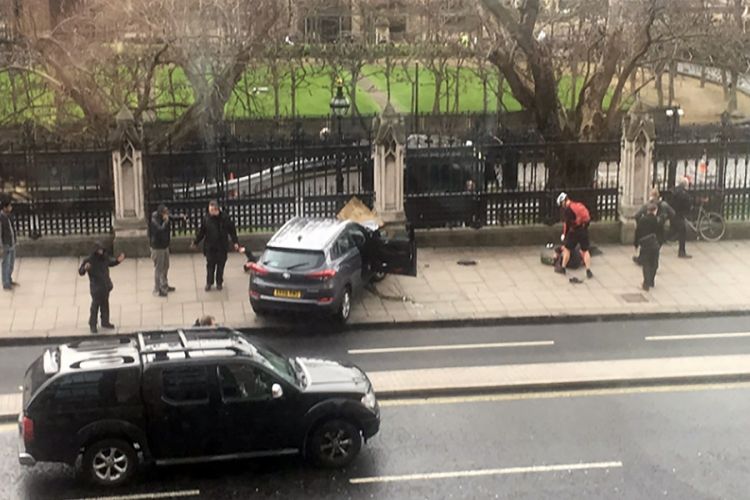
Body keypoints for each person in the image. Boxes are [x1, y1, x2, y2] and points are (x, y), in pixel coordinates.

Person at [191, 200, 239, 291]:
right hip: (210, 247)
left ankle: (219, 282)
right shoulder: (207, 218)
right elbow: (202, 232)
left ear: (216, 209)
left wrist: (235, 242)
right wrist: (196, 242)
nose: (210, 212)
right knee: (210, 266)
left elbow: (232, 231)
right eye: (209, 210)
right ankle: (209, 282)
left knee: (220, 266)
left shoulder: (225, 218)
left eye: (212, 210)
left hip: (222, 246)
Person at [78, 241, 125, 333]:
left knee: (105, 305)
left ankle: (105, 321)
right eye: (99, 250)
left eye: (102, 250)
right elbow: (81, 272)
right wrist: (85, 268)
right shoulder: (89, 260)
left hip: (105, 285)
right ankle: (92, 324)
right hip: (96, 287)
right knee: (95, 307)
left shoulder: (104, 257)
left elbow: (111, 263)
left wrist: (118, 261)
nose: (101, 252)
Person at [149, 204, 186, 297]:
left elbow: (172, 218)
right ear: (161, 213)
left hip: (165, 246)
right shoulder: (154, 220)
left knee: (166, 266)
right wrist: (165, 222)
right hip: (157, 248)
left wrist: (181, 217)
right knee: (159, 268)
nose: (167, 215)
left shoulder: (165, 216)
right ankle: (157, 289)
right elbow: (159, 230)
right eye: (165, 213)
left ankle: (164, 285)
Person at [556, 192, 593, 279]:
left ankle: (563, 268)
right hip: (583, 230)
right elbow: (587, 219)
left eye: (561, 204)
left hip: (574, 232)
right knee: (585, 250)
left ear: (563, 201)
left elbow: (567, 224)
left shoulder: (568, 210)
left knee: (567, 249)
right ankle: (588, 271)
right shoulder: (577, 205)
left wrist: (564, 235)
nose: (562, 206)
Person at [633, 188, 674, 264]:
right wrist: (666, 219)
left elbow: (637, 215)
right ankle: (648, 261)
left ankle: (642, 259)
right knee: (656, 246)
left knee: (646, 245)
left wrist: (640, 224)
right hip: (660, 228)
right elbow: (672, 213)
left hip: (648, 228)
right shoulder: (664, 204)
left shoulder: (647, 205)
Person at [635, 203, 662, 291]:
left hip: (645, 243)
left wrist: (636, 243)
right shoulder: (657, 220)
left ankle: (646, 283)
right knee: (654, 263)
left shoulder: (643, 220)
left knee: (646, 263)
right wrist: (660, 243)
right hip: (654, 243)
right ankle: (651, 280)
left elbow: (637, 232)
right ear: (655, 210)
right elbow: (661, 232)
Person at [671, 176, 693, 259]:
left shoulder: (675, 191)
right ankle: (682, 252)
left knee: (672, 232)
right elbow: (687, 204)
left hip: (673, 213)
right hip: (679, 215)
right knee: (682, 233)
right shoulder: (684, 194)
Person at [1, 195, 18, 291]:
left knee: (11, 263)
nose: (10, 208)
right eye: (9, 206)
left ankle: (9, 279)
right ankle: (5, 283)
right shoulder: (1, 218)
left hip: (12, 243)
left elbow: (12, 229)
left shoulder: (9, 216)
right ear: (4, 208)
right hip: (6, 244)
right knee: (6, 264)